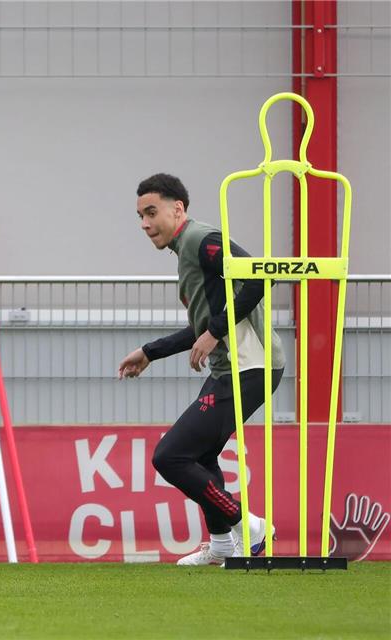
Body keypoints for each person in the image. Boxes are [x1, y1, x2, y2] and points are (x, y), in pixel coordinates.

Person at [117, 173, 286, 566]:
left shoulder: (198, 239)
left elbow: (261, 275)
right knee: (204, 458)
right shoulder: (185, 249)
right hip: (232, 368)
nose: (144, 224)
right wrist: (151, 351)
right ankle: (224, 546)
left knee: (170, 456)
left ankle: (250, 525)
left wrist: (215, 330)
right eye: (140, 216)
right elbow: (202, 326)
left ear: (179, 209)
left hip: (251, 366)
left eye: (152, 212)